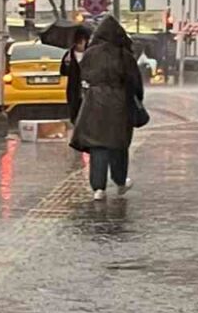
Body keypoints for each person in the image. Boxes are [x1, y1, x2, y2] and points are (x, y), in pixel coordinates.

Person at [70, 17, 143, 201]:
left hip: (93, 102)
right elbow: (134, 81)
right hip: (119, 102)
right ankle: (119, 181)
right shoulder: (123, 54)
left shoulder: (90, 53)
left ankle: (98, 188)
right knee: (118, 143)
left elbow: (83, 75)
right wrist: (137, 99)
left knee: (98, 145)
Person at [60, 25, 91, 125]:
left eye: (83, 41)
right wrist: (66, 64)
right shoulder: (69, 55)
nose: (81, 44)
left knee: (88, 115)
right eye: (79, 41)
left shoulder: (91, 54)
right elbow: (63, 72)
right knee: (75, 115)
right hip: (74, 90)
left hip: (89, 90)